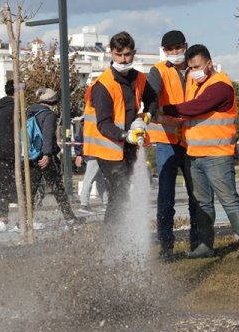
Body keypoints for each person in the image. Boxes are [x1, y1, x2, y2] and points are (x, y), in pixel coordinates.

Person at [161, 44, 239, 259]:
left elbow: (195, 108)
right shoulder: (195, 85)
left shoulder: (220, 85)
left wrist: (166, 109)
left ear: (209, 63)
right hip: (194, 155)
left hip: (217, 155)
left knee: (229, 200)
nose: (194, 71)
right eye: (191, 67)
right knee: (202, 202)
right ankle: (205, 245)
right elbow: (189, 116)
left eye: (198, 66)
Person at [82, 31, 158, 226]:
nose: (123, 60)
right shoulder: (103, 85)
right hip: (108, 148)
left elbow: (152, 99)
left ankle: (123, 236)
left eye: (127, 54)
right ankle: (111, 241)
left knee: (126, 194)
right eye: (119, 55)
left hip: (128, 145)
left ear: (134, 53)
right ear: (111, 53)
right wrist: (126, 135)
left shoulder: (139, 78)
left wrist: (145, 116)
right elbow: (103, 123)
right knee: (119, 194)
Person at [147, 30, 200, 259]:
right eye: (170, 49)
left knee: (197, 195)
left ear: (185, 46)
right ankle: (166, 247)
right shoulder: (158, 72)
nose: (175, 52)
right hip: (166, 142)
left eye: (179, 48)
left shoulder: (196, 70)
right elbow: (151, 96)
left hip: (192, 141)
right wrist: (151, 110)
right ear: (164, 51)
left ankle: (198, 244)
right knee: (166, 197)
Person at [27, 88, 82, 228]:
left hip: (30, 155)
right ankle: (70, 219)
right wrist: (46, 154)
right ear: (53, 102)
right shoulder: (49, 115)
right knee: (58, 188)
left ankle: (23, 221)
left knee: (30, 190)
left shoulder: (28, 112)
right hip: (44, 157)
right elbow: (48, 135)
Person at [0, 79, 17, 231]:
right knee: (21, 184)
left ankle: (2, 219)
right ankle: (24, 219)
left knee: (2, 185)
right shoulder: (14, 107)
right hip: (11, 150)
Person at [73, 125, 107, 214]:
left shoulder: (84, 123)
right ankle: (84, 205)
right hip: (96, 154)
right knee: (89, 179)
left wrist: (79, 154)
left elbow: (79, 139)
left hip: (89, 154)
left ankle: (106, 203)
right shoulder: (97, 121)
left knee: (100, 180)